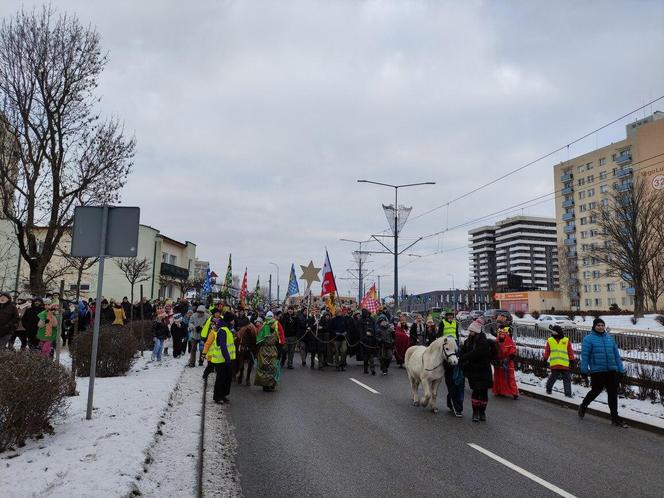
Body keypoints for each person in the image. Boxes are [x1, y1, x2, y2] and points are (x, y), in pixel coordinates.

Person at [578, 318, 627, 427]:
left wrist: (621, 369)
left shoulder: (610, 339)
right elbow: (585, 357)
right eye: (598, 325)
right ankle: (584, 405)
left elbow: (616, 356)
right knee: (596, 391)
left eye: (602, 325)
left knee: (613, 394)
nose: (600, 327)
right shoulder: (588, 339)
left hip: (611, 370)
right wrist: (584, 371)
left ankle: (615, 417)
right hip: (597, 370)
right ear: (594, 326)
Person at [459, 319, 493, 422]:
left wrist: (463, 358)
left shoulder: (484, 342)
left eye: (472, 331)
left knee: (483, 392)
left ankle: (482, 412)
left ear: (477, 331)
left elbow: (476, 353)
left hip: (484, 370)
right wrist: (460, 357)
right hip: (473, 371)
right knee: (476, 391)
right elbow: (463, 351)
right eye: (470, 331)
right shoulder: (468, 341)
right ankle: (475, 413)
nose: (470, 333)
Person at [203, 312, 236, 404]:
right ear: (229, 320)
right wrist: (227, 358)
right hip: (222, 359)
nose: (234, 321)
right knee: (221, 378)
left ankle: (224, 395)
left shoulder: (228, 329)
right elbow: (223, 346)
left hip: (227, 359)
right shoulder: (222, 330)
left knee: (227, 378)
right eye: (233, 319)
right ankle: (217, 397)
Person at [254, 311, 284, 391]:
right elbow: (280, 340)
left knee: (269, 368)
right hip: (269, 350)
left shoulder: (264, 327)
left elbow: (259, 341)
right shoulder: (268, 327)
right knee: (268, 368)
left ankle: (269, 385)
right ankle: (267, 385)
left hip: (268, 350)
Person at [544, 325, 575, 397]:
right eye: (553, 332)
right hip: (555, 363)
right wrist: (545, 359)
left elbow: (570, 351)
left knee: (567, 379)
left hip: (564, 364)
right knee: (553, 377)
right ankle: (548, 389)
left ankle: (568, 394)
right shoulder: (550, 340)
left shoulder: (566, 340)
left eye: (554, 332)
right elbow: (547, 351)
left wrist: (572, 360)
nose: (553, 333)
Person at [492, 326, 519, 399]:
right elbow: (493, 351)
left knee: (510, 378)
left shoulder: (509, 342)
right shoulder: (496, 342)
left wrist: (508, 359)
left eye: (502, 334)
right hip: (498, 363)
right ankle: (499, 391)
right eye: (500, 334)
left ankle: (514, 393)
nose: (501, 335)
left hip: (508, 363)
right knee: (498, 378)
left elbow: (513, 352)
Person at [359, 308, 377, 375]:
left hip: (371, 340)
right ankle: (365, 369)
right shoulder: (361, 320)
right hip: (364, 341)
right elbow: (360, 331)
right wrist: (362, 339)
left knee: (371, 357)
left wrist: (374, 338)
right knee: (366, 358)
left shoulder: (372, 319)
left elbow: (374, 328)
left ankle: (372, 370)